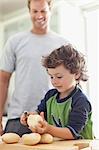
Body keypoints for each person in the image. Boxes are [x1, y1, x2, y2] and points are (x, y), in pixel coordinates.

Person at [0, 0, 67, 136]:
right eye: (35, 11)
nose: (39, 15)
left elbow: (72, 82)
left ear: (50, 10)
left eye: (43, 11)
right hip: (18, 118)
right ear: (29, 11)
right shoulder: (15, 41)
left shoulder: (63, 44)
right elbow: (3, 80)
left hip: (53, 118)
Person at [21, 44, 94, 139]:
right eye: (51, 77)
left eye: (59, 77)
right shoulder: (50, 96)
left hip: (80, 146)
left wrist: (48, 129)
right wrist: (29, 117)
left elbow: (72, 133)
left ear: (76, 74)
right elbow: (39, 114)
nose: (54, 81)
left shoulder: (80, 101)